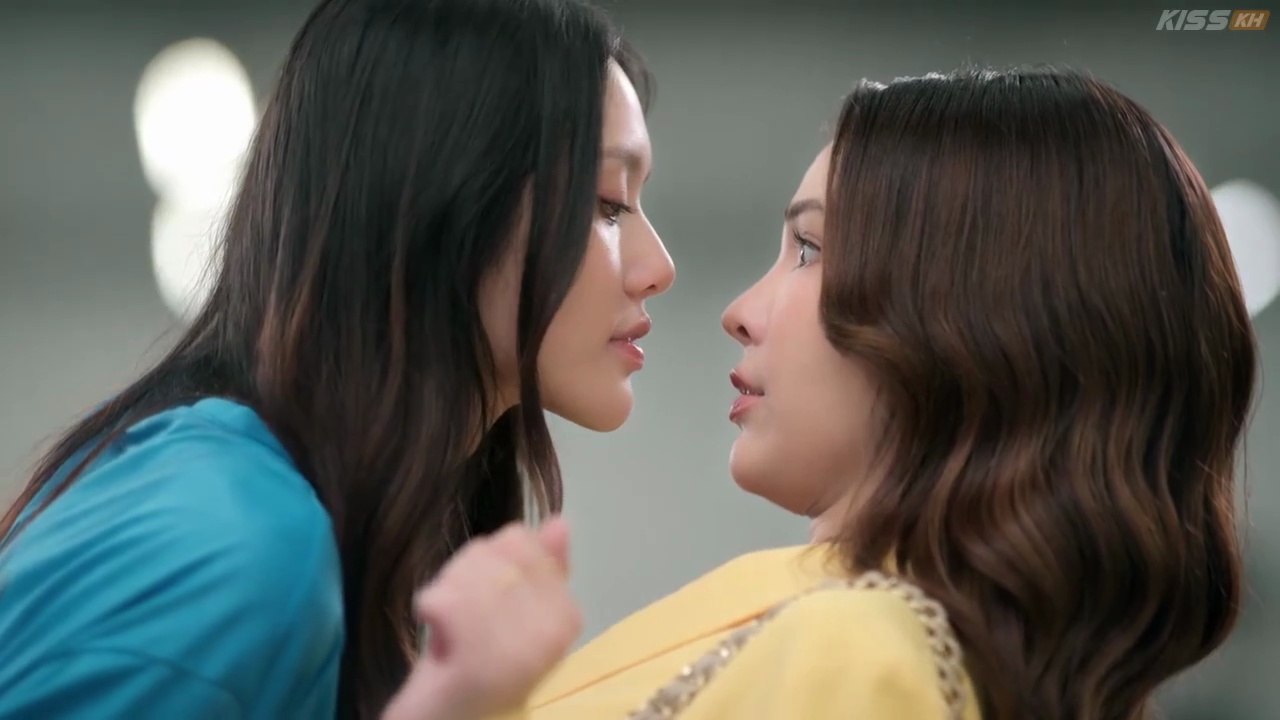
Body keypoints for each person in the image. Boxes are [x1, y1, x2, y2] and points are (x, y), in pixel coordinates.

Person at [513, 68, 1257, 719]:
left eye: (809, 250)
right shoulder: (879, 637)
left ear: (974, 319)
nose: (739, 311)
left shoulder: (857, 652)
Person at [0, 0, 673, 717]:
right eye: (606, 204)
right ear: (437, 196)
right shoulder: (235, 541)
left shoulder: (349, 540)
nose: (658, 267)